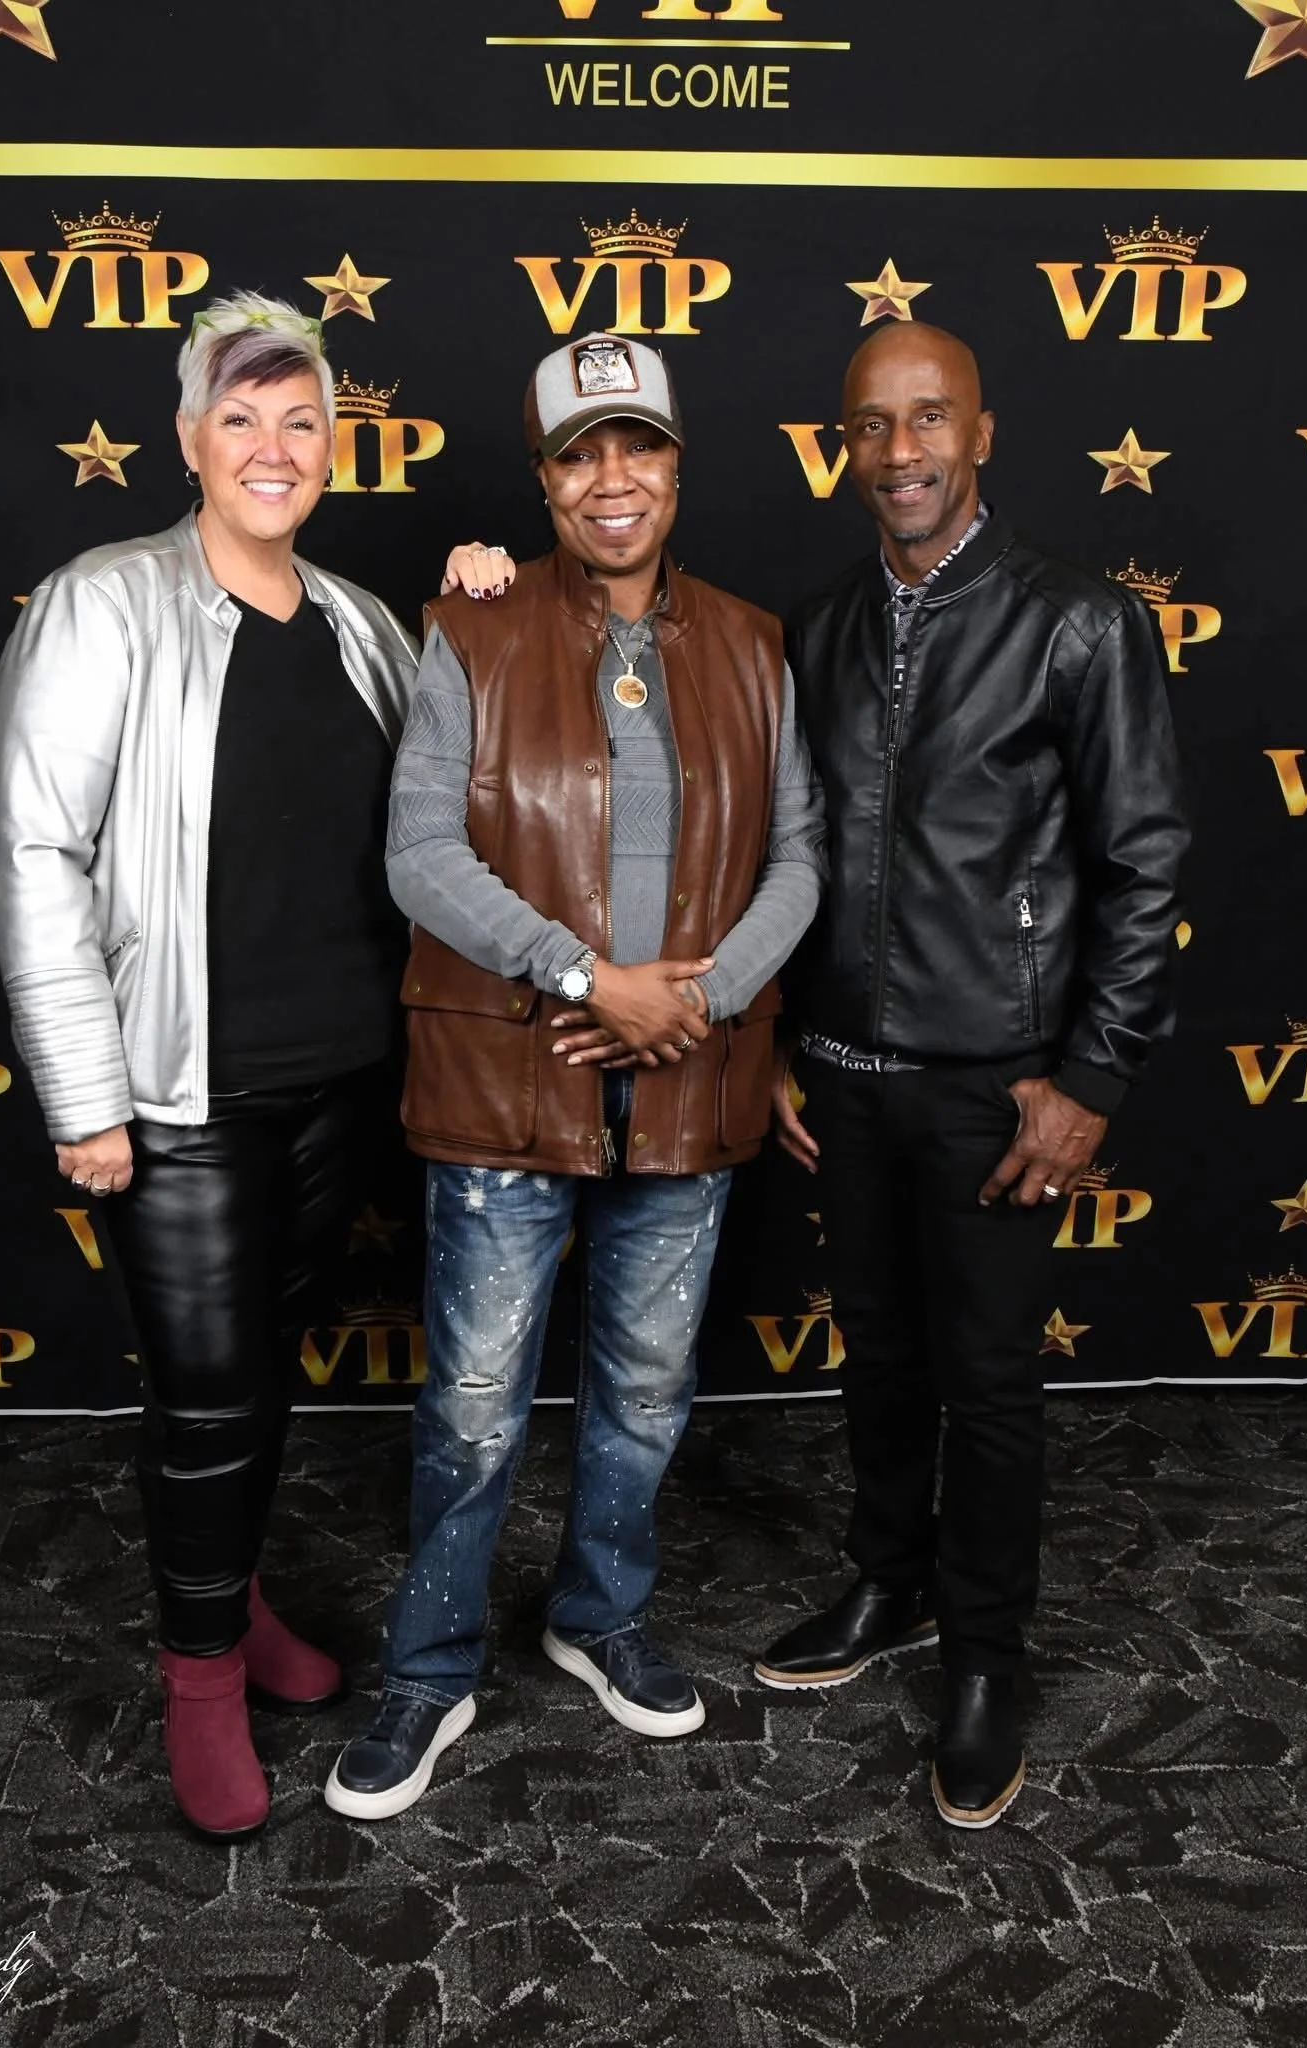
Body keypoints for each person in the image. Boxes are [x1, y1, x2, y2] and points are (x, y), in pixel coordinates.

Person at [0, 291, 513, 1841]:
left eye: (301, 419)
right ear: (189, 438)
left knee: (265, 1373)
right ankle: (202, 1681)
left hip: (337, 1079)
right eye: (241, 416)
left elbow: (450, 794)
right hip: (174, 1093)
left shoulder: (356, 620)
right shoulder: (103, 600)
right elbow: (31, 851)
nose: (272, 446)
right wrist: (83, 1100)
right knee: (207, 1400)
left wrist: (477, 606)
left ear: (332, 444)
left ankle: (244, 1601)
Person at [324, 332, 826, 1820]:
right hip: (507, 1082)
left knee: (648, 1394)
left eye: (638, 447)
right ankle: (428, 1669)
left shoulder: (749, 640)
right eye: (579, 453)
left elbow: (797, 856)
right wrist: (579, 973)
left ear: (676, 466)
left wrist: (703, 997)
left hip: (684, 1087)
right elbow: (418, 855)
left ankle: (599, 1618)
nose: (613, 478)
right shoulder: (468, 629)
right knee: (474, 1406)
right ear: (542, 480)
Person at [754, 321, 1189, 1830]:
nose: (902, 452)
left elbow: (1141, 867)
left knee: (988, 1388)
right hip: (842, 1076)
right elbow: (784, 859)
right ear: (844, 447)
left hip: (999, 1092)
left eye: (929, 419)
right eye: (871, 426)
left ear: (982, 433)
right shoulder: (812, 631)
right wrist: (772, 1040)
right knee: (878, 1360)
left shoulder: (1077, 624)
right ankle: (890, 1587)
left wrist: (1090, 1078)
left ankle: (987, 1656)